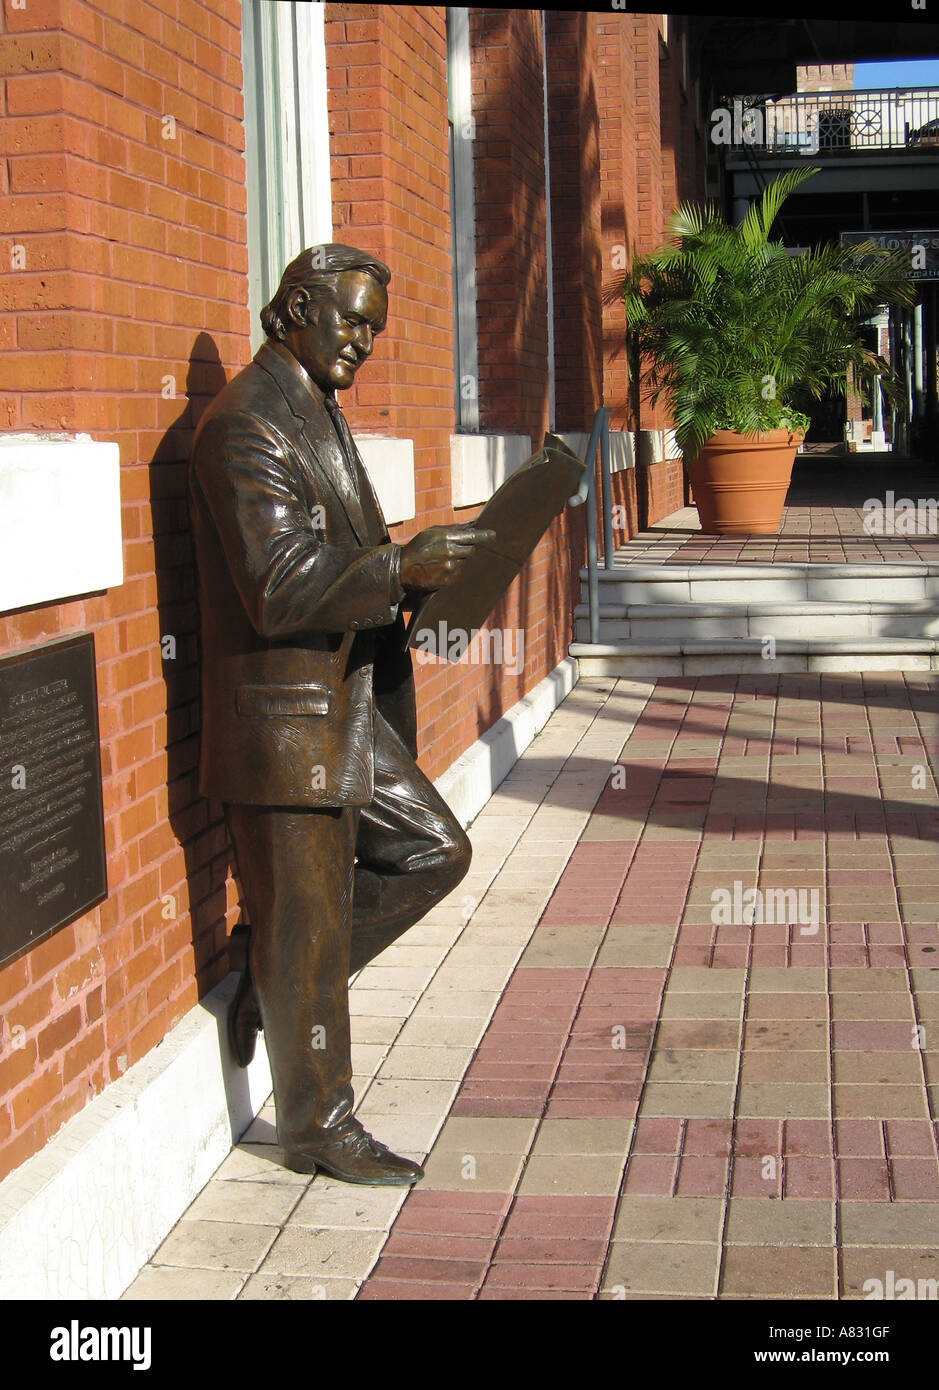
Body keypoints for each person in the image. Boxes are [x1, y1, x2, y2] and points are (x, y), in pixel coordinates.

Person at [188, 244, 494, 1185]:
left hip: (343, 704)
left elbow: (334, 556)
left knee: (432, 851)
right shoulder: (246, 423)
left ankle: (276, 976)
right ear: (293, 310)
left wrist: (412, 580)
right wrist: (400, 566)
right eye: (351, 321)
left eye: (374, 328)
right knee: (310, 930)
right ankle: (318, 1128)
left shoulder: (312, 406)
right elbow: (276, 587)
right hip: (285, 724)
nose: (363, 341)